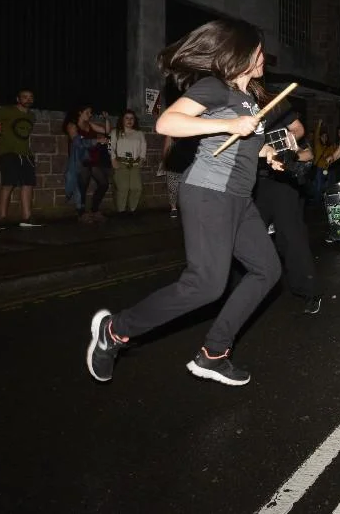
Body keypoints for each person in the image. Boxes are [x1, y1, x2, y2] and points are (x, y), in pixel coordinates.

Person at [86, 19, 285, 386]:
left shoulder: (249, 98)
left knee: (267, 269)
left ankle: (214, 352)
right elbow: (168, 123)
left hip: (239, 199)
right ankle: (114, 330)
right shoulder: (216, 87)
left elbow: (243, 142)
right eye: (259, 51)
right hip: (210, 193)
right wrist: (227, 126)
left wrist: (267, 152)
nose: (263, 57)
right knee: (206, 285)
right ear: (241, 53)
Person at [252, 115, 324, 314]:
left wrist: (290, 155)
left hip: (283, 183)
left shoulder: (282, 119)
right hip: (256, 184)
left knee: (291, 238)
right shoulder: (246, 119)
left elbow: (308, 154)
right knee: (249, 238)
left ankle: (309, 291)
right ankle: (245, 292)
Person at [0, 88, 40, 227]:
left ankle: (26, 218)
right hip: (9, 152)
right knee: (8, 184)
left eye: (30, 97)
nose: (28, 99)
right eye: (24, 97)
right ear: (18, 99)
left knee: (28, 184)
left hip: (26, 154)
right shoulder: (7, 111)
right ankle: (2, 218)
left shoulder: (31, 116)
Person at [63, 106, 112, 222]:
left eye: (90, 113)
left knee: (104, 184)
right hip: (81, 160)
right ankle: (81, 213)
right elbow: (78, 143)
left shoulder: (89, 124)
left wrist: (106, 119)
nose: (90, 115)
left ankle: (94, 210)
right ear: (79, 112)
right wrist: (97, 140)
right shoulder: (72, 125)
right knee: (82, 186)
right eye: (88, 112)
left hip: (93, 159)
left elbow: (106, 131)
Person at [109, 109, 147, 214]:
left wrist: (142, 158)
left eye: (132, 118)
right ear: (122, 119)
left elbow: (143, 146)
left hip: (135, 163)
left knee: (137, 187)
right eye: (127, 118)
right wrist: (113, 159)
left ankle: (132, 209)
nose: (129, 120)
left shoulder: (139, 133)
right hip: (121, 163)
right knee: (123, 188)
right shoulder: (115, 132)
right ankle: (121, 211)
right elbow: (110, 146)